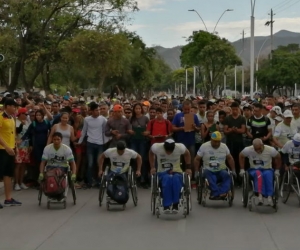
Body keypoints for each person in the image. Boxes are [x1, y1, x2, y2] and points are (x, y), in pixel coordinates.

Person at [149, 139, 192, 213]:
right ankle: (166, 205)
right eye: (167, 151)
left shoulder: (180, 147)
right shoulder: (157, 147)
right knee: (167, 179)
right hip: (162, 172)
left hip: (177, 171)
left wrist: (188, 168)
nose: (169, 153)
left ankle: (175, 204)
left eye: (170, 151)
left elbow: (187, 154)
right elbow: (151, 153)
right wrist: (152, 167)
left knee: (176, 180)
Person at [194, 131, 236, 200]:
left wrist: (233, 170)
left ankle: (221, 192)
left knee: (227, 175)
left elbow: (230, 158)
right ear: (211, 140)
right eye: (215, 141)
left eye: (218, 141)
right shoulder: (204, 146)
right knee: (210, 176)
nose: (216, 143)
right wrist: (196, 171)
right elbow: (197, 159)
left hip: (221, 169)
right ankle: (217, 192)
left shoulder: (224, 146)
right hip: (208, 170)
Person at [239, 139, 281, 206]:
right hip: (254, 169)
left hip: (267, 169)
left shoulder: (270, 150)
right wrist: (242, 169)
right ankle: (260, 194)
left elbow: (278, 157)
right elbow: (241, 156)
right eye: (256, 149)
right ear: (253, 147)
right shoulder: (248, 149)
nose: (258, 151)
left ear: (262, 145)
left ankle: (270, 196)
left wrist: (277, 169)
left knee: (268, 175)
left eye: (259, 148)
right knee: (259, 174)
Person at [0, 99, 22, 208]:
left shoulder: (12, 118)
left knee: (8, 174)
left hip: (11, 149)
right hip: (2, 149)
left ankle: (8, 198)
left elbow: (13, 134)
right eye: (14, 106)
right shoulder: (1, 116)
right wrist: (7, 147)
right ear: (7, 106)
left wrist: (15, 146)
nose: (15, 108)